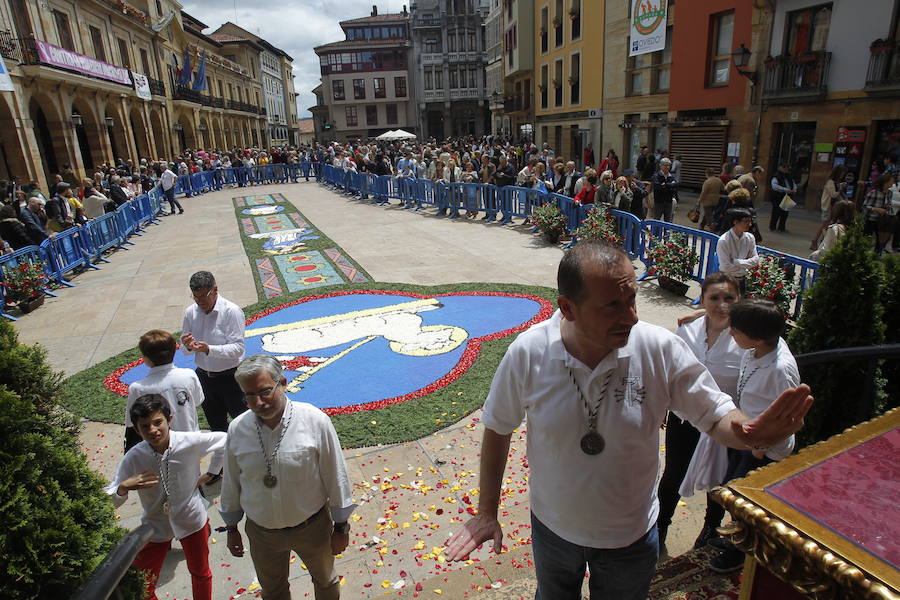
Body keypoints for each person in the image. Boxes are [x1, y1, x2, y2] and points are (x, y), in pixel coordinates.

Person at [444, 241, 813, 599]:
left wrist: (748, 432)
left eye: (632, 299)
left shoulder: (658, 348)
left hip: (631, 536)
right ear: (568, 308)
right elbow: (498, 427)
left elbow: (714, 413)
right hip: (553, 529)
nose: (632, 316)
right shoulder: (528, 353)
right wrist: (487, 512)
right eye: (612, 306)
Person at [220, 355, 356, 600]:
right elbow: (231, 481)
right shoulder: (238, 428)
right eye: (249, 396)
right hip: (262, 533)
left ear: (282, 382)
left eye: (264, 391)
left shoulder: (314, 420)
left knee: (325, 581)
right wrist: (231, 527)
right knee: (273, 590)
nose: (259, 402)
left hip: (311, 527)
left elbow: (336, 475)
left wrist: (341, 526)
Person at [697, 299, 800, 573]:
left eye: (736, 330)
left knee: (748, 505)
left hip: (763, 449)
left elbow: (787, 417)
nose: (731, 334)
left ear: (755, 337)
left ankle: (741, 553)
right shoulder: (756, 350)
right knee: (733, 491)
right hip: (747, 438)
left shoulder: (779, 370)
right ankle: (735, 539)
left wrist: (762, 446)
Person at [106, 394, 226, 600]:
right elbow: (111, 499)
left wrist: (212, 472)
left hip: (191, 519)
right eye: (145, 426)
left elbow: (225, 440)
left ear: (169, 419)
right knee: (144, 584)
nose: (153, 430)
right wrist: (124, 487)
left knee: (201, 572)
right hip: (155, 525)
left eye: (157, 422)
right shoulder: (134, 457)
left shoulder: (189, 442)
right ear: (136, 430)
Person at [656, 272, 743, 549]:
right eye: (714, 298)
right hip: (685, 418)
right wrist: (661, 405)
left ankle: (710, 527)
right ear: (702, 299)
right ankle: (660, 526)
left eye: (729, 298)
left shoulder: (746, 338)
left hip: (723, 422)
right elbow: (671, 371)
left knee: (717, 481)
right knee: (673, 474)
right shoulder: (688, 330)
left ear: (739, 300)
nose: (721, 304)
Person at [181, 271, 247, 457]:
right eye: (196, 297)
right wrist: (187, 346)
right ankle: (223, 464)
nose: (200, 301)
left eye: (204, 296)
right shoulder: (190, 312)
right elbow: (185, 349)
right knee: (216, 426)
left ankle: (250, 461)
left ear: (215, 290)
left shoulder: (231, 311)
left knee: (243, 423)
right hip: (205, 378)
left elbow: (238, 349)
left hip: (231, 377)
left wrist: (209, 349)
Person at [124, 330, 204, 453]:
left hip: (157, 448)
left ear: (146, 358)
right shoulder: (189, 375)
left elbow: (131, 422)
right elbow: (197, 401)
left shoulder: (138, 388)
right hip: (190, 443)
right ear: (173, 352)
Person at [716, 207, 759, 294]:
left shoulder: (750, 238)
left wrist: (735, 261)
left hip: (742, 280)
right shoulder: (724, 240)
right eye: (746, 221)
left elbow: (755, 260)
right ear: (735, 222)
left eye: (750, 221)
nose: (749, 224)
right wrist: (745, 265)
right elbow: (725, 266)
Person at [811, 166, 848, 250]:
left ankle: (821, 242)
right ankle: (814, 241)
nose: (842, 175)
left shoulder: (835, 182)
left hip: (832, 207)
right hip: (827, 207)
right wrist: (841, 189)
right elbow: (833, 194)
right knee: (824, 224)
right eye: (842, 173)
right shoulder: (830, 182)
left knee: (827, 225)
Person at [862, 173, 896, 254]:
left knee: (879, 239)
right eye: (891, 181)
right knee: (866, 238)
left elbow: (888, 204)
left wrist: (888, 207)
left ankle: (877, 254)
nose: (893, 183)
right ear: (885, 182)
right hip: (871, 219)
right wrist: (876, 209)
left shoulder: (889, 193)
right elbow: (865, 206)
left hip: (882, 220)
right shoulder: (874, 192)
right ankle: (862, 253)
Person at [769, 164, 797, 233]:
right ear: (780, 168)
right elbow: (774, 186)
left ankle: (781, 227)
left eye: (786, 168)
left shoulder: (789, 176)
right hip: (778, 196)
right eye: (784, 167)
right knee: (776, 212)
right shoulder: (776, 176)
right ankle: (773, 227)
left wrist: (794, 189)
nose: (786, 169)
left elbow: (793, 184)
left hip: (787, 196)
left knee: (785, 213)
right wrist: (785, 189)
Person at [651, 158, 678, 222]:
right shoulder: (656, 176)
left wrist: (665, 185)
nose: (667, 167)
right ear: (660, 166)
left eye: (668, 165)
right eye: (665, 165)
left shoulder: (671, 176)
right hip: (659, 201)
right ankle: (655, 232)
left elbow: (675, 186)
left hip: (668, 201)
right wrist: (670, 186)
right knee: (656, 220)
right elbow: (658, 187)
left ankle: (666, 232)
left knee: (668, 221)